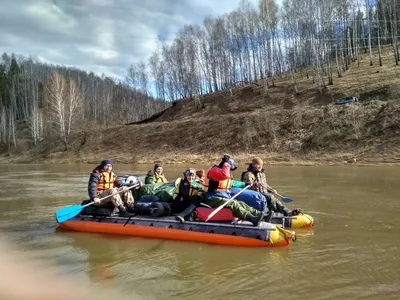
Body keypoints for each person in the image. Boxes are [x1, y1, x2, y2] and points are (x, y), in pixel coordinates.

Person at [204, 154, 264, 226]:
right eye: (230, 168)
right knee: (234, 204)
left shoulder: (224, 172)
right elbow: (224, 175)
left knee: (240, 203)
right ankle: (252, 219)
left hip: (222, 196)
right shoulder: (214, 171)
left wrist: (244, 184)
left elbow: (231, 183)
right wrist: (226, 163)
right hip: (212, 197)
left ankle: (258, 214)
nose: (230, 170)